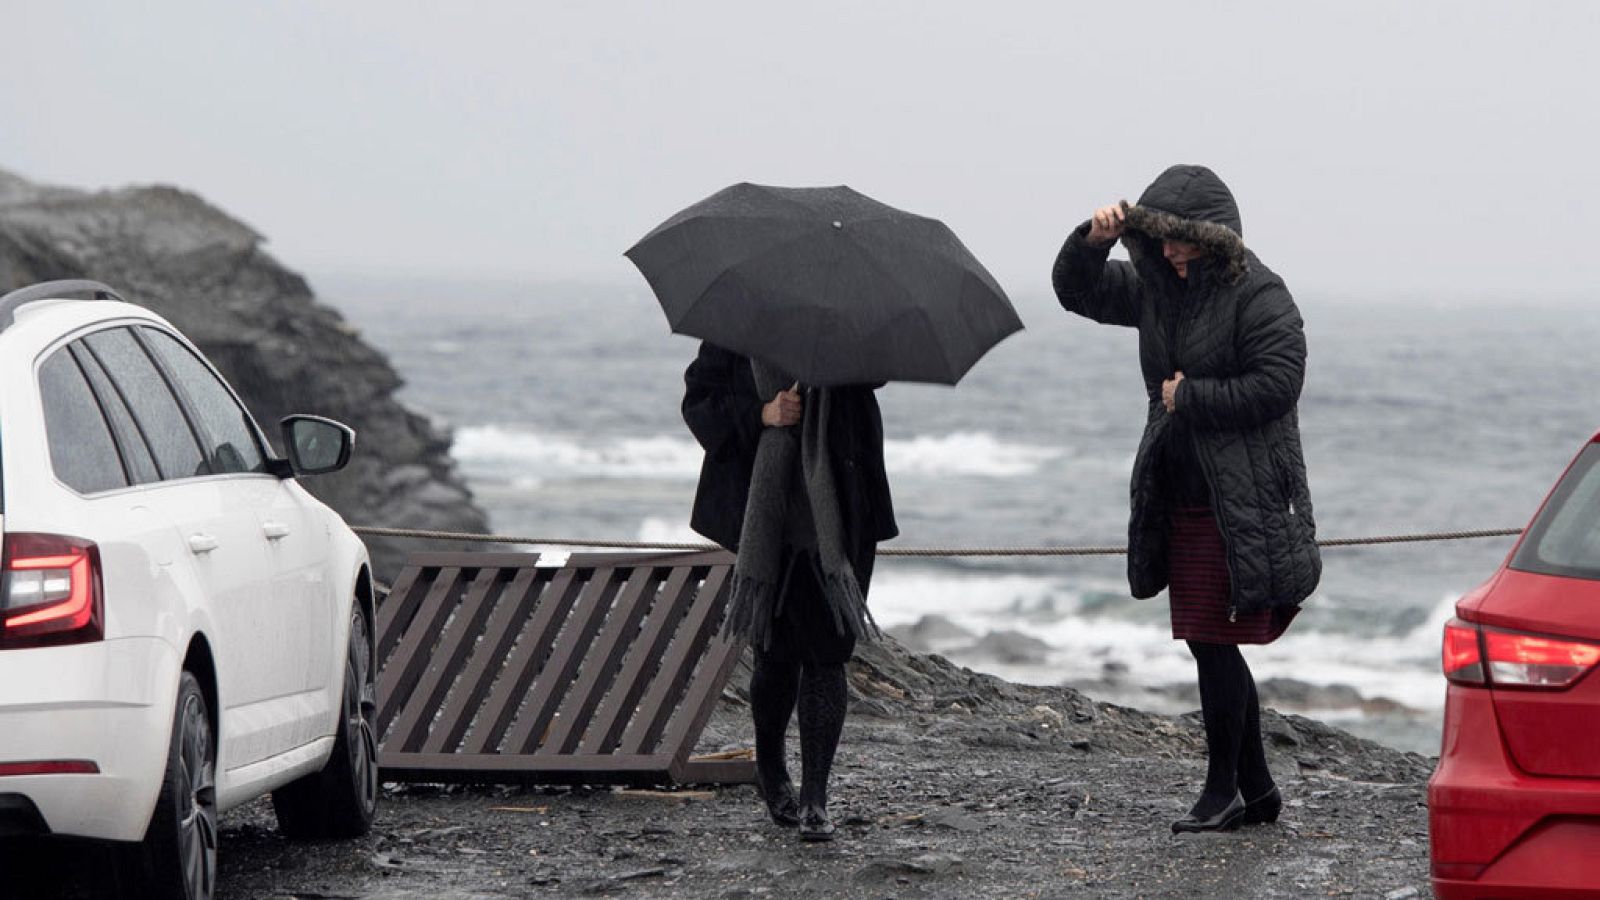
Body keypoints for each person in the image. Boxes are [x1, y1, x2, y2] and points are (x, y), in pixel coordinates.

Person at [1052, 164, 1321, 833]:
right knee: (1209, 641)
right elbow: (1077, 292)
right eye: (1161, 239)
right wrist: (1093, 238)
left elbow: (1279, 383)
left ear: (1215, 238)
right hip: (1181, 492)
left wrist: (1189, 397)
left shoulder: (1260, 293)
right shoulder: (1156, 290)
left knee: (1210, 639)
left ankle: (1224, 790)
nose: (1169, 251)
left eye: (1181, 240)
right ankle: (1255, 792)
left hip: (1241, 499)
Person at [682, 342, 896, 842]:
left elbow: (878, 374)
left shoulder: (850, 324)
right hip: (763, 515)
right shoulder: (734, 327)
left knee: (828, 653)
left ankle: (815, 798)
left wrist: (836, 357)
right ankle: (772, 772)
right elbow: (699, 407)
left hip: (840, 514)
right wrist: (763, 413)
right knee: (774, 654)